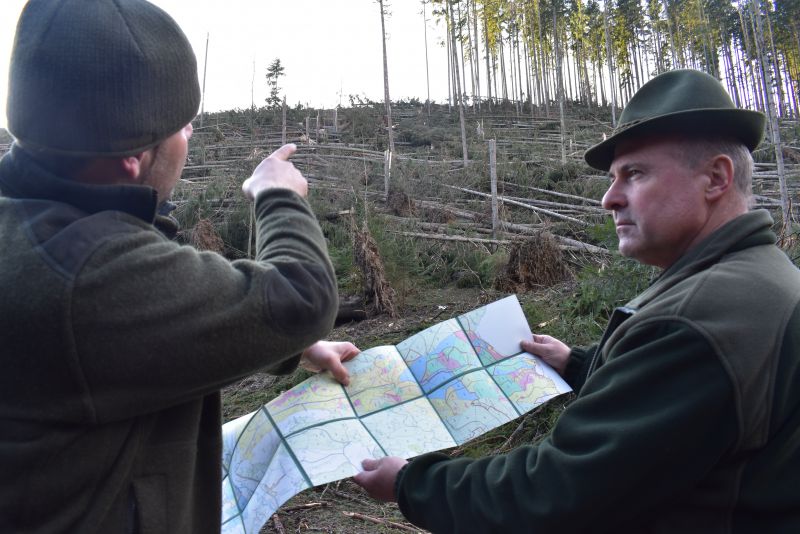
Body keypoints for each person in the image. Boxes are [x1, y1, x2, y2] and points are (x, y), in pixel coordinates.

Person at [355, 69, 800, 532]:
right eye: (613, 178)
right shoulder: (762, 276)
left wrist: (410, 482)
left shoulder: (700, 318)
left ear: (715, 178)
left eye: (635, 174)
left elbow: (553, 492)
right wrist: (578, 365)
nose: (610, 199)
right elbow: (683, 408)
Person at [0, 1, 358, 532]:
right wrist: (277, 196)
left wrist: (286, 347)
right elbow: (300, 299)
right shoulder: (86, 275)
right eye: (184, 127)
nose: (189, 137)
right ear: (133, 159)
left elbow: (121, 333)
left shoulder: (35, 227)